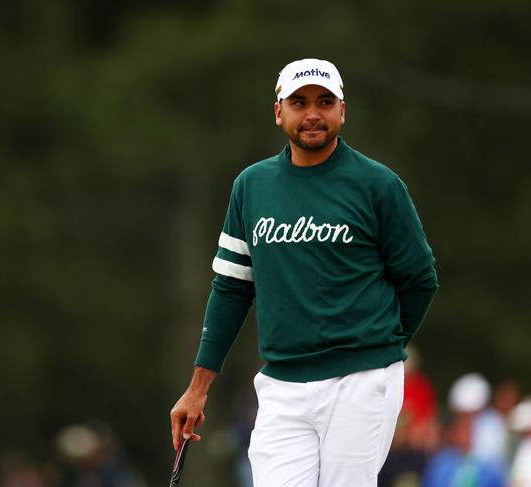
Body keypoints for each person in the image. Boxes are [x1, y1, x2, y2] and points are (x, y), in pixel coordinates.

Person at [170, 58, 439, 487]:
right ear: (279, 112)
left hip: (362, 382)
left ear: (341, 111)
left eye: (324, 101)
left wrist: (378, 347)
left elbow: (420, 279)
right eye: (299, 102)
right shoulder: (251, 187)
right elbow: (232, 288)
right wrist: (198, 386)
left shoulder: (378, 185)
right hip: (282, 383)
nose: (312, 113)